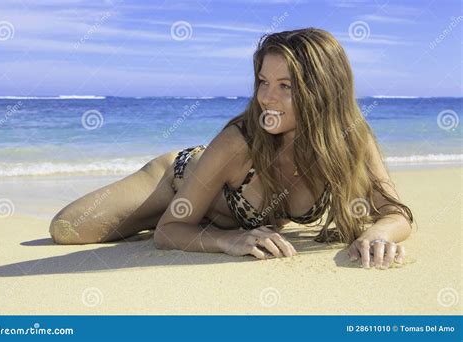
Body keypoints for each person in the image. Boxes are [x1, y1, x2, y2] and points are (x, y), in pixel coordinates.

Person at [49, 28, 414, 270]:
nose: (266, 97)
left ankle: (189, 218)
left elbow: (396, 213)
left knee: (161, 226)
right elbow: (168, 232)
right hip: (177, 179)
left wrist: (377, 235)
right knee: (69, 230)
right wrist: (227, 239)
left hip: (210, 208)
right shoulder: (239, 141)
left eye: (285, 86)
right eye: (263, 81)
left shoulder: (352, 139)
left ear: (323, 90)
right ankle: (174, 214)